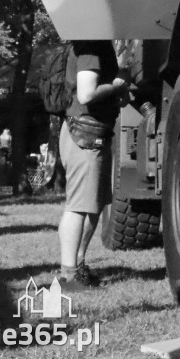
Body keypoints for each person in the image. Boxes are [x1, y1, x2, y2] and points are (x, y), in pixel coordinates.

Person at [56, 40, 131, 291]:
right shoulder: (91, 43)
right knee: (77, 207)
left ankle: (77, 266)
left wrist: (117, 91)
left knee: (93, 205)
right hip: (85, 134)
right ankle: (68, 277)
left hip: (91, 132)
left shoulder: (97, 42)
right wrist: (117, 84)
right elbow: (86, 93)